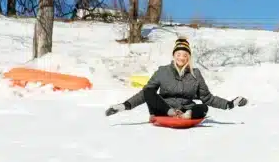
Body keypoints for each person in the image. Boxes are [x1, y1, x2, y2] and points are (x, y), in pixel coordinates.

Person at [105, 38, 247, 119]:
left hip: (186, 110)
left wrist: (229, 104)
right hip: (163, 109)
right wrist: (125, 105)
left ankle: (186, 115)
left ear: (188, 58)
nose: (181, 57)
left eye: (185, 55)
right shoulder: (163, 71)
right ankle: (172, 113)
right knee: (149, 91)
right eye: (179, 54)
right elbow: (145, 95)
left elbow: (207, 98)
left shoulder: (195, 74)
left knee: (203, 107)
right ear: (174, 55)